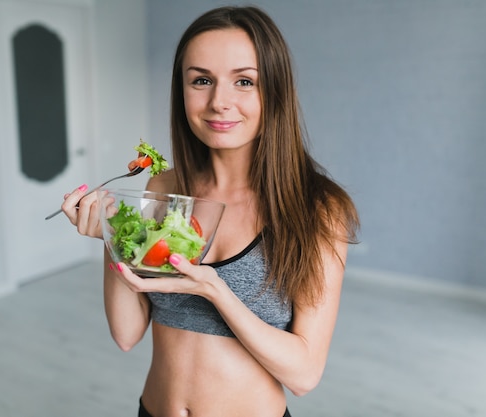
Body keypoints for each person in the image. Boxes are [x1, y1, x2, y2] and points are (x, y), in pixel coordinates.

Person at [62, 6, 359, 417]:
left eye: (244, 81)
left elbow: (304, 374)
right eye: (201, 80)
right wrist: (113, 237)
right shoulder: (164, 189)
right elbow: (127, 334)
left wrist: (215, 290)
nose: (220, 102)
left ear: (274, 91)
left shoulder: (318, 209)